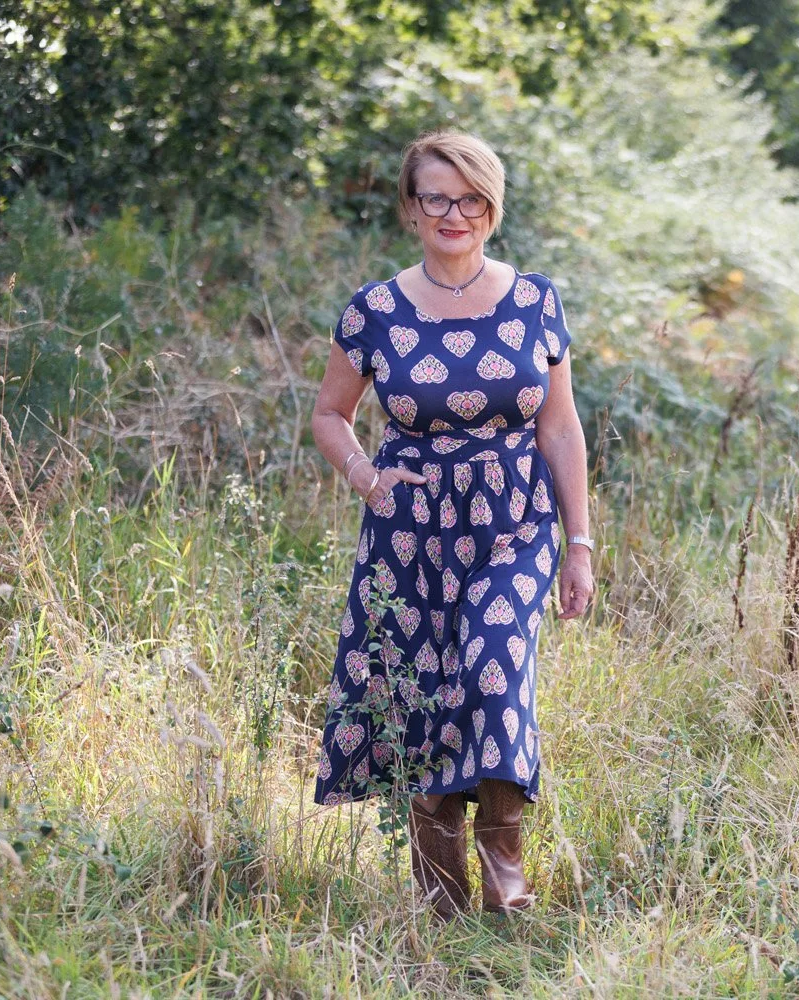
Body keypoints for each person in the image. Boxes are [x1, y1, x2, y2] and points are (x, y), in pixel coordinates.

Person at [308, 128, 594, 920]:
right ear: (410, 207)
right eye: (435, 196)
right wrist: (366, 477)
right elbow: (330, 414)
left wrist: (580, 545)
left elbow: (561, 430)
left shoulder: (536, 300)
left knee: (493, 669)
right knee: (427, 694)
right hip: (411, 532)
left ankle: (505, 872)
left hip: (516, 519)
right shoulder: (374, 310)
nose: (452, 212)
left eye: (469, 198)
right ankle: (442, 897)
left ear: (491, 207)